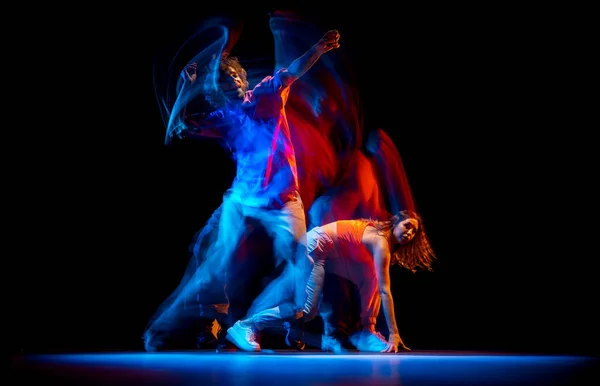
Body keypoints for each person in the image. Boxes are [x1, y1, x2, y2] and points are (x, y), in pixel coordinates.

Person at [143, 25, 342, 352]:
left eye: (235, 77)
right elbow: (177, 127)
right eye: (225, 81)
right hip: (243, 201)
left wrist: (318, 49)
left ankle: (252, 325)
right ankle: (168, 329)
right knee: (212, 260)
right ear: (218, 89)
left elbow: (292, 71)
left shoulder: (267, 93)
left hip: (284, 201)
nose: (233, 82)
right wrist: (185, 87)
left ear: (243, 79)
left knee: (300, 261)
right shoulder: (223, 117)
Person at [226, 209, 437, 353]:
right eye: (407, 226)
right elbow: (385, 291)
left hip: (320, 251)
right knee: (305, 309)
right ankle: (246, 325)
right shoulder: (381, 242)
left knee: (363, 278)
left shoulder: (378, 234)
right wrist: (394, 333)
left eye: (414, 232)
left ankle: (363, 330)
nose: (409, 233)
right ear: (396, 221)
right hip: (314, 246)